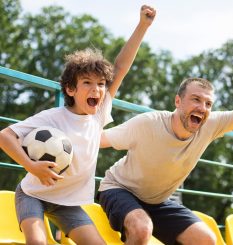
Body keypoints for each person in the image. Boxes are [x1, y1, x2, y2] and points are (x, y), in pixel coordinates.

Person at [98, 43, 233, 245]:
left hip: (156, 202)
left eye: (208, 103)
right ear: (178, 101)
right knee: (141, 228)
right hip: (119, 189)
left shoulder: (210, 125)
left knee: (207, 239)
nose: (202, 107)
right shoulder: (148, 124)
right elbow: (100, 139)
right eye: (195, 99)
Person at [0, 5, 156, 245]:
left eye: (102, 84)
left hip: (67, 203)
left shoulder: (99, 113)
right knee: (38, 243)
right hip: (33, 195)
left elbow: (121, 67)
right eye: (87, 83)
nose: (97, 89)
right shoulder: (53, 117)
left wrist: (143, 26)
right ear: (70, 89)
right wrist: (32, 166)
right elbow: (5, 136)